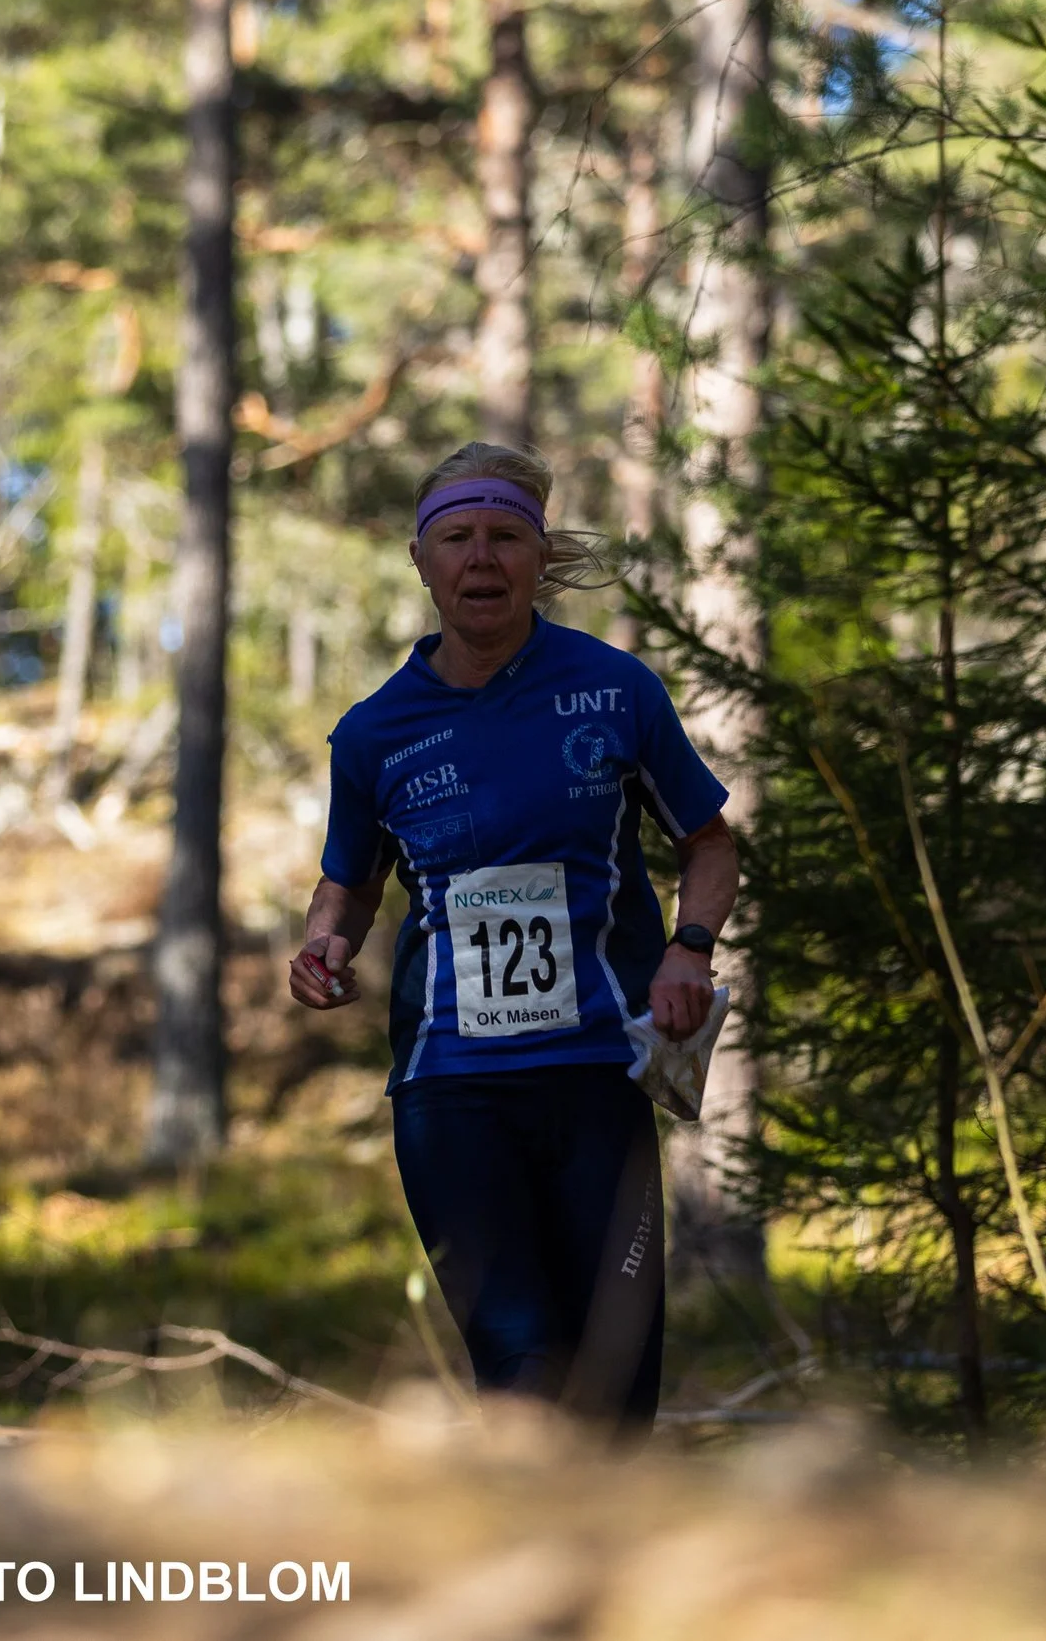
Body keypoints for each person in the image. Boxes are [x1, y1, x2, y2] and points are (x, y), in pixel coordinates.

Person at [287, 440, 739, 1431]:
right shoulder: (374, 732)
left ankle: (608, 1572)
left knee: (616, 1379)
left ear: (540, 556)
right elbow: (349, 882)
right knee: (522, 1365)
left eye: (504, 536)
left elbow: (709, 840)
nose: (480, 558)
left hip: (597, 1079)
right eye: (457, 538)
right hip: (452, 1090)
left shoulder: (616, 690)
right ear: (421, 559)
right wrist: (323, 943)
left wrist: (688, 945)